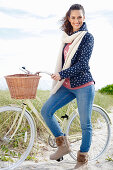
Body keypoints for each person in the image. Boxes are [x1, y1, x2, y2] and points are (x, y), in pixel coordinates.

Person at [41, 3, 95, 168]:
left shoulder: (87, 37)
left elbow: (82, 64)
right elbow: (64, 62)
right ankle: (63, 146)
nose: (76, 20)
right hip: (67, 85)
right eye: (73, 17)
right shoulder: (67, 37)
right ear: (69, 19)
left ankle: (82, 160)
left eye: (79, 17)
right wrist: (60, 75)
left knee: (85, 124)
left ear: (83, 18)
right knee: (46, 111)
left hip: (84, 85)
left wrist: (62, 74)